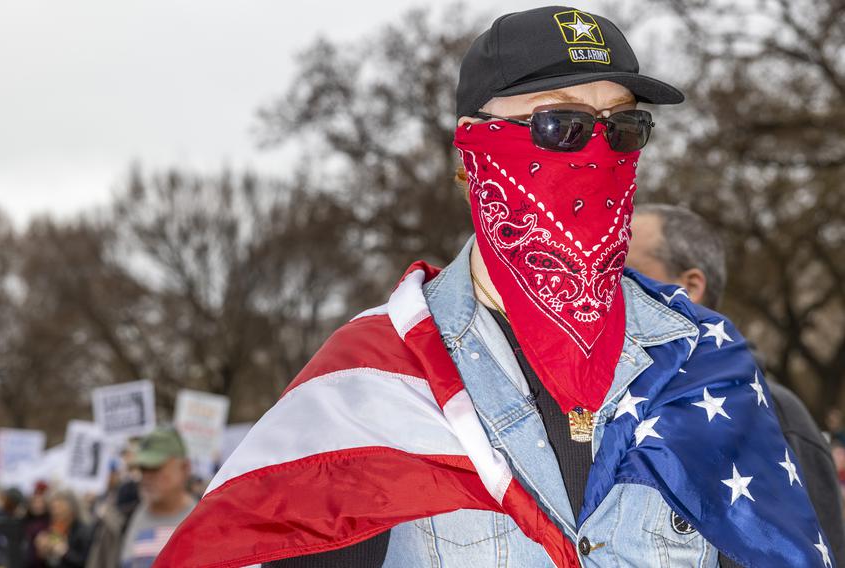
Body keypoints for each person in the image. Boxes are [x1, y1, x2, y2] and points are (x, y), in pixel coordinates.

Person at [158, 6, 830, 567]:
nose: (596, 152)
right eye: (559, 126)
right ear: (473, 149)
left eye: (624, 128)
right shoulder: (371, 381)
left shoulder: (707, 369)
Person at [626, 202, 845, 563]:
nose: (609, 288)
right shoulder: (606, 406)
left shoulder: (777, 416)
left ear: (690, 286)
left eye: (628, 272)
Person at [88, 425, 195, 568]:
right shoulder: (118, 521)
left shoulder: (211, 521)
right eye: (143, 468)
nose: (147, 476)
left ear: (185, 468)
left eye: (155, 467)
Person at [31, 490, 92, 568]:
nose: (54, 512)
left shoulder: (83, 530)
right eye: (52, 508)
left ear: (71, 508)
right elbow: (54, 559)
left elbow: (86, 561)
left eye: (58, 508)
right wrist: (45, 550)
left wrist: (64, 552)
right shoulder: (57, 527)